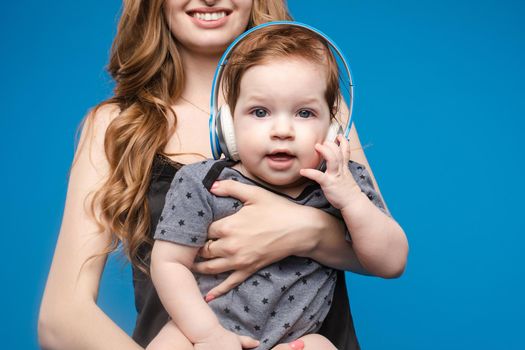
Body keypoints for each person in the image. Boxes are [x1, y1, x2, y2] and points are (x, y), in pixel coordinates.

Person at [38, 1, 408, 349]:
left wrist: (304, 230)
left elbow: (384, 253)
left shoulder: (322, 110)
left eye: (303, 115)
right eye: (259, 113)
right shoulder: (117, 127)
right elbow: (61, 316)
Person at [148, 24, 407, 350]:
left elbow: (392, 262)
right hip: (204, 331)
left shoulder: (342, 182)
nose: (282, 130)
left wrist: (351, 200)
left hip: (295, 341)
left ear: (331, 129)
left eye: (304, 113)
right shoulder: (202, 181)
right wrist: (208, 335)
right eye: (260, 112)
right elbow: (169, 263)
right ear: (228, 126)